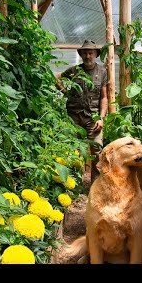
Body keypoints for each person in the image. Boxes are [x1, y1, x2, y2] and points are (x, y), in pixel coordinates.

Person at [55, 39, 108, 185]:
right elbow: (57, 78)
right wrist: (65, 92)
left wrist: (101, 118)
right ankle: (73, 184)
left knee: (97, 150)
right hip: (74, 117)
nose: (88, 56)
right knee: (73, 150)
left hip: (93, 119)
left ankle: (95, 185)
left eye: (90, 53)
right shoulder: (74, 71)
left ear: (96, 54)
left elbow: (104, 97)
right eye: (85, 53)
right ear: (81, 55)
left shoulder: (102, 72)